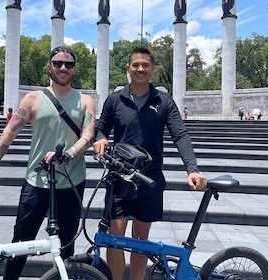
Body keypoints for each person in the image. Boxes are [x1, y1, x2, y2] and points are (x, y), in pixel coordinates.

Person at [0, 46, 96, 280]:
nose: (63, 68)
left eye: (68, 64)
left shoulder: (86, 101)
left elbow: (88, 136)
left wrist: (67, 154)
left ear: (75, 69)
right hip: (37, 181)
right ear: (49, 66)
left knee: (66, 247)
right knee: (20, 242)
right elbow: (7, 135)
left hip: (71, 182)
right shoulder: (33, 99)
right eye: (58, 63)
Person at [93, 46, 207, 280]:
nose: (140, 69)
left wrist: (192, 169)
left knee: (140, 241)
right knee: (114, 240)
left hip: (149, 180)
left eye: (145, 65)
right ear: (128, 68)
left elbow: (180, 134)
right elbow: (101, 128)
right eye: (135, 65)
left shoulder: (163, 101)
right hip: (119, 179)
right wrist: (101, 138)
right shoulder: (115, 100)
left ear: (153, 69)